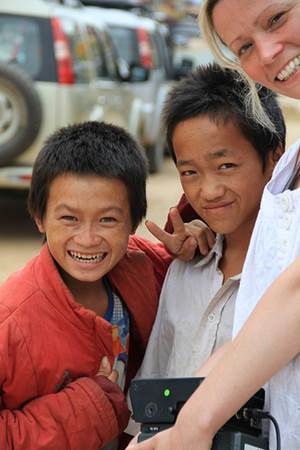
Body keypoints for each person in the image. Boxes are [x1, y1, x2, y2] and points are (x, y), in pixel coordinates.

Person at [126, 1, 300, 449]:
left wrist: (192, 425)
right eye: (241, 45)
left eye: (277, 18)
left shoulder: (276, 264)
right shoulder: (187, 268)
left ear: (273, 157)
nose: (266, 51)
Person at [0, 120, 201, 450]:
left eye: (108, 219)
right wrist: (86, 409)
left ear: (133, 222)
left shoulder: (141, 265)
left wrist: (191, 251)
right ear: (39, 216)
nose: (89, 239)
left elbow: (189, 276)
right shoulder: (10, 319)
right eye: (69, 218)